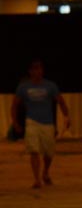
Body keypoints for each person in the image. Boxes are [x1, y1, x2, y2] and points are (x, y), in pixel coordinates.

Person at [11, 59, 69, 189]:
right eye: (35, 69)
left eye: (40, 68)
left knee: (49, 152)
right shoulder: (23, 87)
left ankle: (45, 172)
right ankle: (37, 179)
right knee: (34, 150)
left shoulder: (50, 86)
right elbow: (14, 105)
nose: (38, 71)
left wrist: (66, 116)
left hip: (48, 123)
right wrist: (15, 122)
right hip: (31, 122)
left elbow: (61, 101)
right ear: (30, 71)